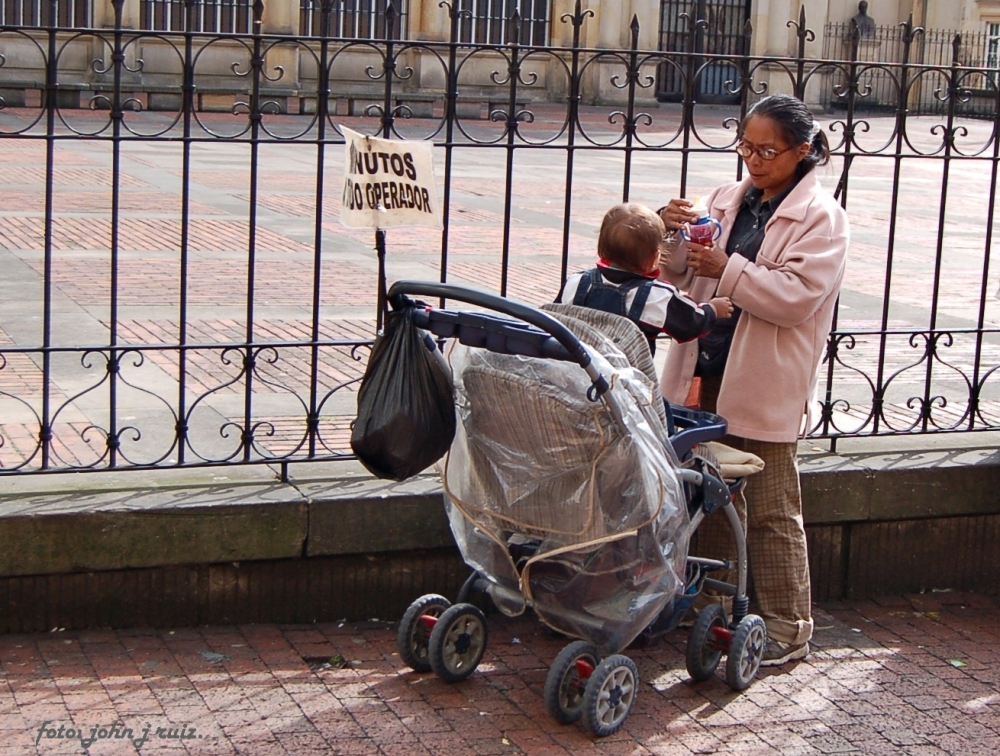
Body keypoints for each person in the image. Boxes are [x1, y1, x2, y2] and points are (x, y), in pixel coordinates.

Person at [657, 93, 850, 667]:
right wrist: (672, 237)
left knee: (768, 507)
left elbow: (795, 299)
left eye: (768, 150)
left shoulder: (822, 219)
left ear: (803, 151)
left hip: (764, 377)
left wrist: (729, 269)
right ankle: (711, 611)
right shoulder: (724, 199)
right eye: (746, 146)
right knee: (707, 498)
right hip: (704, 368)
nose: (754, 160)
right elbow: (678, 274)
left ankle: (790, 626)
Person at [556, 203, 732, 355]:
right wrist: (713, 309)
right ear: (654, 258)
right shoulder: (656, 296)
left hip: (576, 376)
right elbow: (691, 322)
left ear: (601, 251)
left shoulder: (576, 282)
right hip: (626, 386)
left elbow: (554, 319)